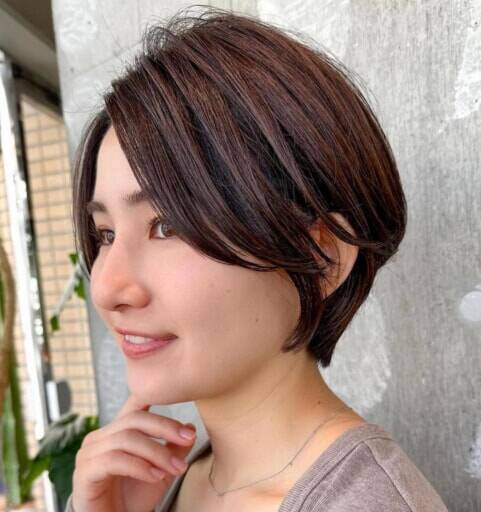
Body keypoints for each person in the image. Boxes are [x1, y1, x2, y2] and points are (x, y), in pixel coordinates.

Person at [64, 5, 449, 512]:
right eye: (107, 234)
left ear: (321, 255)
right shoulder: (168, 482)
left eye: (167, 226)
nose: (108, 288)